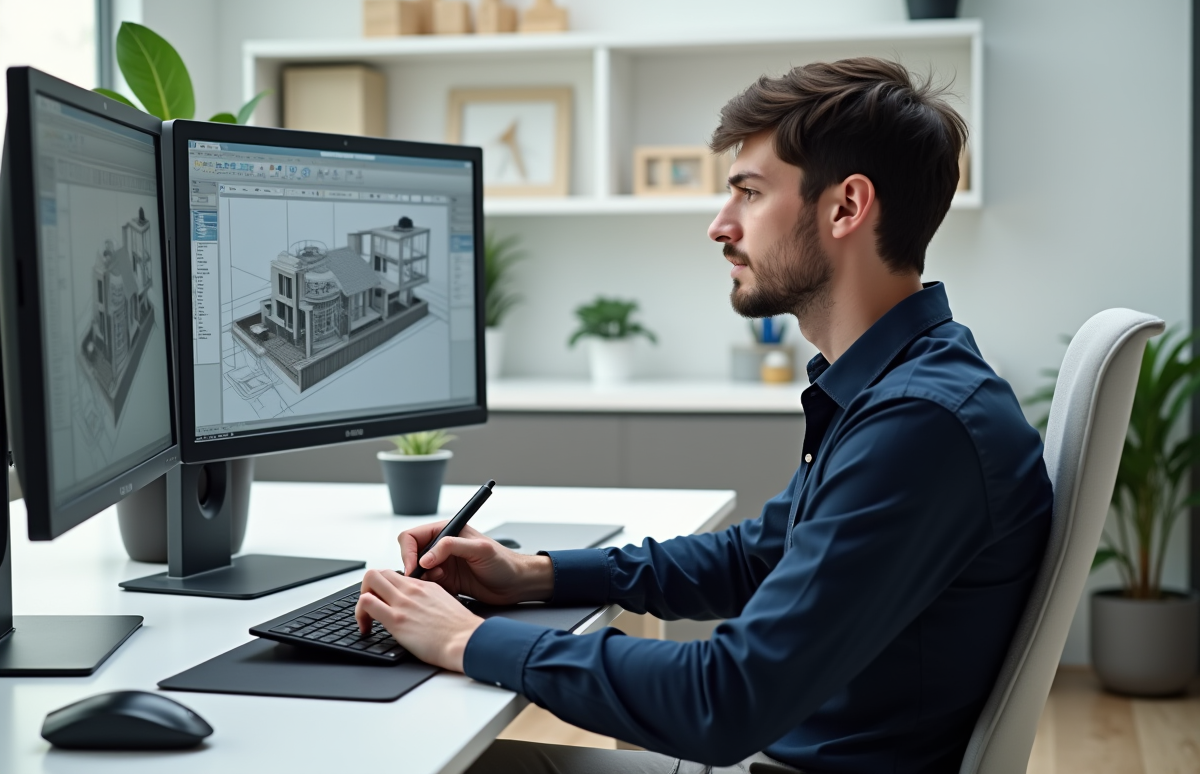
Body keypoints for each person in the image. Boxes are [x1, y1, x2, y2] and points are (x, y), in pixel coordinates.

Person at [355, 57, 1053, 774]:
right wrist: (533, 574)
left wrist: (465, 640)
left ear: (846, 207)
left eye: (748, 194)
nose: (720, 226)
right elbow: (762, 555)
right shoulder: (898, 387)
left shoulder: (919, 423)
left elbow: (722, 700)